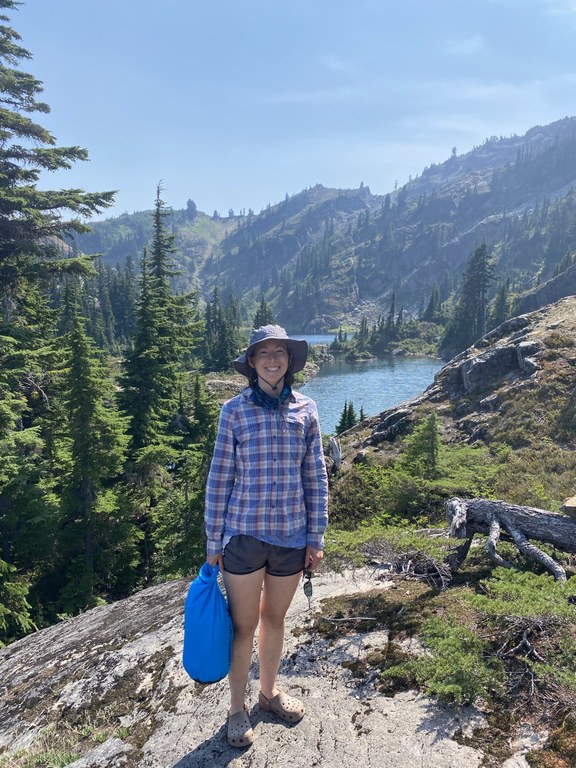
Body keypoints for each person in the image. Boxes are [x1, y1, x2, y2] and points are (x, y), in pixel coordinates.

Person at [205, 324, 329, 748]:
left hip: (292, 537)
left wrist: (316, 536)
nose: (273, 359)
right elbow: (219, 478)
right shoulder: (233, 411)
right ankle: (237, 710)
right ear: (253, 363)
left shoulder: (307, 410)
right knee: (244, 627)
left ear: (289, 361)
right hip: (242, 537)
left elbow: (316, 477)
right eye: (264, 354)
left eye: (280, 352)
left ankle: (269, 693)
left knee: (275, 620)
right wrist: (212, 541)